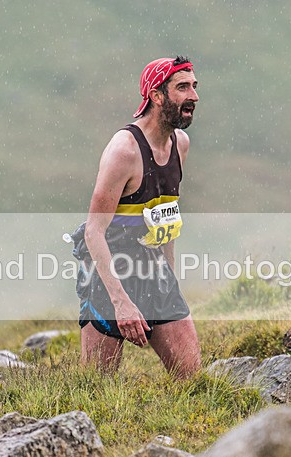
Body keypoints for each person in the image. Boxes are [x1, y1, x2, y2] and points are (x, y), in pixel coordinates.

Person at [73, 56, 202, 379]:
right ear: (157, 96)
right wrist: (121, 303)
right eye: (182, 88)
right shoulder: (124, 151)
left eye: (195, 87)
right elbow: (93, 232)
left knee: (191, 377)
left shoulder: (180, 144)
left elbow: (166, 220)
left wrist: (170, 280)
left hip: (153, 269)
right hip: (109, 276)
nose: (194, 97)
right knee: (95, 389)